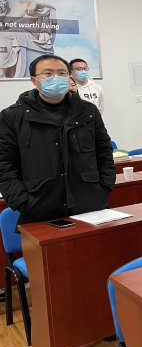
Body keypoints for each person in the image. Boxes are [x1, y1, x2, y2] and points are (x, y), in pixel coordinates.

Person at [0, 54, 116, 225]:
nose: (56, 78)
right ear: (34, 80)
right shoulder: (13, 116)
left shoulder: (88, 111)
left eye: (62, 73)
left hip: (90, 205)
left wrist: (104, 187)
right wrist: (22, 201)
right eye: (48, 73)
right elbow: (5, 164)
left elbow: (104, 151)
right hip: (39, 208)